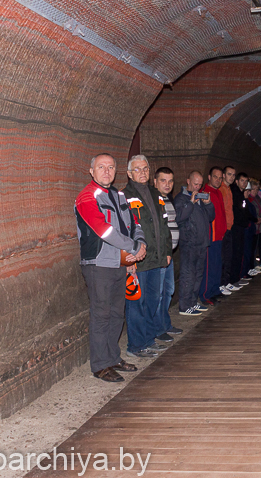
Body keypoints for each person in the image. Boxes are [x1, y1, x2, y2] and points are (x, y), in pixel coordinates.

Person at [75, 153, 146, 383]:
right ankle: (100, 365)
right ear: (91, 171)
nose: (107, 171)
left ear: (116, 171)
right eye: (101, 167)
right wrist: (133, 247)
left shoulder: (119, 195)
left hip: (119, 263)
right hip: (98, 264)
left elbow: (133, 223)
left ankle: (113, 358)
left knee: (117, 313)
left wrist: (138, 248)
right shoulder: (86, 197)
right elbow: (103, 230)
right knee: (101, 314)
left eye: (111, 167)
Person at [122, 155, 172, 359]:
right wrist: (128, 259)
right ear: (129, 173)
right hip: (139, 260)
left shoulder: (155, 193)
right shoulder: (124, 196)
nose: (142, 172)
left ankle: (149, 338)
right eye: (137, 169)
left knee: (154, 299)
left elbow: (165, 224)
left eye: (145, 169)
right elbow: (124, 229)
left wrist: (168, 251)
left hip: (157, 258)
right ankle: (136, 344)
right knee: (136, 303)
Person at [173, 171, 215, 316]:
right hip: (189, 243)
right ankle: (184, 306)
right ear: (188, 181)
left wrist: (208, 204)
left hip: (201, 243)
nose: (197, 187)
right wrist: (190, 202)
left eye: (200, 184)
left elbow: (211, 217)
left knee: (198, 275)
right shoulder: (181, 199)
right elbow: (178, 218)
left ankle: (192, 302)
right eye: (195, 184)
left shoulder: (199, 197)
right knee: (188, 275)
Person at [153, 166, 183, 341]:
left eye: (170, 181)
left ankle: (165, 323)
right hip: (161, 254)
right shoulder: (155, 200)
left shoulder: (167, 199)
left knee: (169, 289)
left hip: (169, 253)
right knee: (159, 292)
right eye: (163, 180)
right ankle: (158, 328)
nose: (167, 184)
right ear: (155, 181)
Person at [199, 166, 228, 303]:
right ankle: (206, 294)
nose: (218, 180)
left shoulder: (218, 192)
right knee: (209, 267)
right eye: (215, 177)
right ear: (209, 177)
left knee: (217, 265)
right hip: (211, 236)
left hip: (219, 236)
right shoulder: (205, 192)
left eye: (220, 178)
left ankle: (215, 290)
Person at [228, 172, 253, 285]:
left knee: (239, 252)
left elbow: (244, 209)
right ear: (237, 181)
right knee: (235, 253)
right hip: (235, 227)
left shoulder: (241, 193)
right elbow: (239, 210)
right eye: (242, 180)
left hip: (241, 226)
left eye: (246, 181)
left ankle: (237, 277)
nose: (244, 183)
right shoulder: (235, 193)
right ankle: (233, 279)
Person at [219, 166, 236, 290]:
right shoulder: (221, 189)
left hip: (229, 227)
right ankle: (221, 284)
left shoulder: (229, 189)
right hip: (223, 229)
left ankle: (226, 282)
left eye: (233, 175)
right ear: (224, 175)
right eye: (229, 174)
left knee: (228, 256)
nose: (232, 177)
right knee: (223, 257)